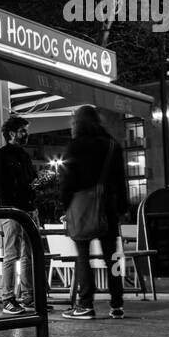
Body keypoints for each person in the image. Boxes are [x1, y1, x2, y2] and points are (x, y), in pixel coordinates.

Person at [59, 104, 127, 320]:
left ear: (77, 123)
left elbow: (67, 181)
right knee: (112, 257)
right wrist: (122, 207)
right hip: (109, 208)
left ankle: (85, 304)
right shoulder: (112, 145)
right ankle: (117, 303)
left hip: (82, 207)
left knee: (83, 257)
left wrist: (66, 206)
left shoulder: (75, 146)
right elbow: (121, 179)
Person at [0, 115, 40, 314]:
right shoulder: (0, 156)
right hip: (13, 211)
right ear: (11, 133)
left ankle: (29, 297)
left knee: (29, 254)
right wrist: (9, 209)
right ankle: (8, 298)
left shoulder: (24, 155)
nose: (26, 134)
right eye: (22, 131)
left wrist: (37, 187)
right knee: (12, 254)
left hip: (29, 209)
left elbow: (31, 180)